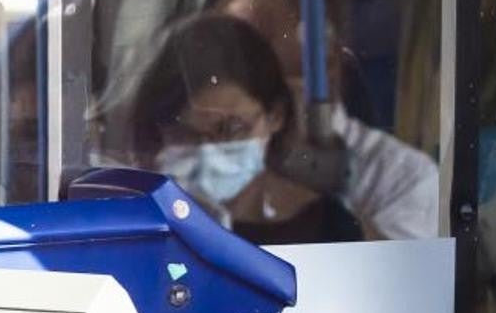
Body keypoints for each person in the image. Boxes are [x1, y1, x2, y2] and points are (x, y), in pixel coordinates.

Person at [214, 0, 439, 240]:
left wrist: (313, 197)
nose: (231, 69)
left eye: (253, 47)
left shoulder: (404, 177)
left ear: (327, 59)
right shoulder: (197, 159)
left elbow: (402, 275)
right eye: (225, 49)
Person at [129, 14, 362, 245]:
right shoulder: (136, 223)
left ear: (275, 116)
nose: (207, 151)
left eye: (230, 129)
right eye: (184, 134)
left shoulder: (330, 229)